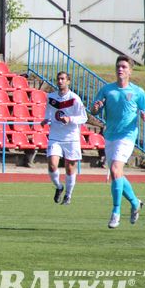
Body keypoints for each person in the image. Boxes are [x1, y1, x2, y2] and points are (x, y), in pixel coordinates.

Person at [92, 55, 145, 229]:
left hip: (127, 135)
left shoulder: (137, 92)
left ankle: (116, 212)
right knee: (116, 174)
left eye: (124, 67)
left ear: (130, 71)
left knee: (115, 170)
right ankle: (135, 203)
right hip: (110, 135)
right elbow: (95, 109)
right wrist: (96, 108)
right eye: (118, 66)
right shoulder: (107, 90)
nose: (120, 69)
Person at [40, 71, 88, 205]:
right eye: (58, 79)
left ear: (68, 81)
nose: (60, 81)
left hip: (71, 138)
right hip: (55, 136)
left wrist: (70, 119)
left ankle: (68, 194)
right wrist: (46, 120)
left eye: (63, 79)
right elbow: (49, 112)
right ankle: (59, 187)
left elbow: (84, 117)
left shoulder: (74, 98)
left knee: (69, 168)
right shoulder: (51, 97)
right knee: (52, 164)